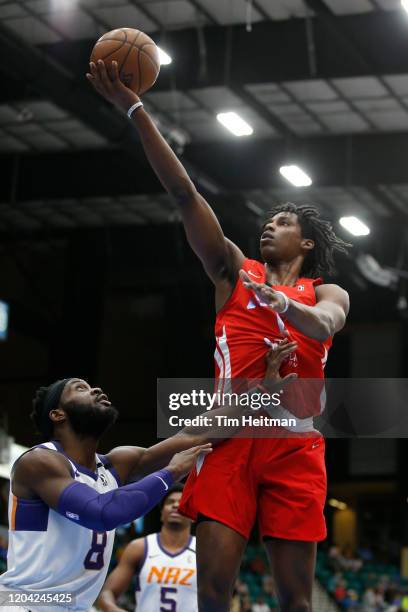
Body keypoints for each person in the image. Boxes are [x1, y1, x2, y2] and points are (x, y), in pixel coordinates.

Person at [87, 60, 350, 612]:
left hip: (293, 443)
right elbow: (184, 194)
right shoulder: (234, 272)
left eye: (282, 222)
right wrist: (136, 112)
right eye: (267, 220)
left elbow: (324, 325)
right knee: (211, 594)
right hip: (227, 439)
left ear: (305, 244)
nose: (269, 225)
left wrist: (285, 305)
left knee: (297, 601)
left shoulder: (326, 293)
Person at [0, 345, 287, 611]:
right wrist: (170, 473)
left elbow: (192, 435)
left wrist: (260, 394)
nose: (97, 389)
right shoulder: (40, 462)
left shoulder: (116, 464)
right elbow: (101, 513)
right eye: (81, 389)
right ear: (57, 414)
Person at [98, 484, 197, 612]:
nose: (176, 505)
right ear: (161, 513)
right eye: (170, 502)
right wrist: (113, 609)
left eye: (182, 502)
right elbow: (107, 593)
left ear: (193, 515)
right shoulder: (140, 548)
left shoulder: (204, 552)